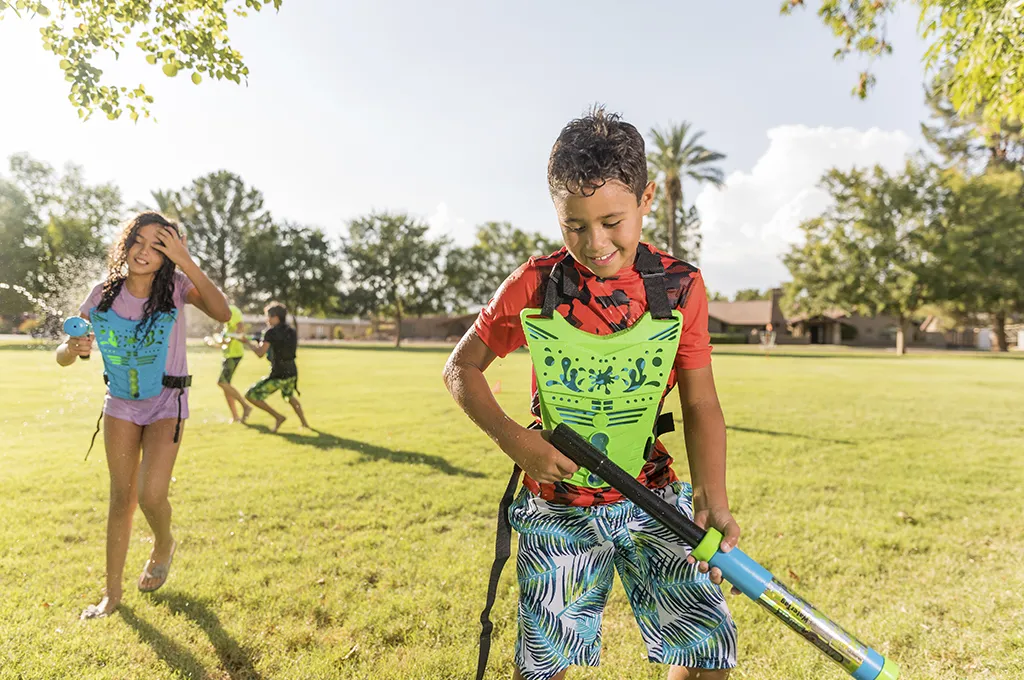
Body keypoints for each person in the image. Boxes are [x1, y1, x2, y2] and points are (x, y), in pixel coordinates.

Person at [443, 108, 739, 680]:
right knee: (545, 669)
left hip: (651, 497)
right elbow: (461, 370)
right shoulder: (536, 283)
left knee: (706, 652)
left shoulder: (680, 287)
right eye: (574, 226)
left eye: (612, 221)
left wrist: (713, 498)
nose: (595, 242)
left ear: (646, 199)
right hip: (558, 509)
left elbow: (700, 402)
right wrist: (515, 442)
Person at [57, 211, 231, 620]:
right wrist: (74, 348)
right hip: (119, 404)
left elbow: (222, 313)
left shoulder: (176, 287)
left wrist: (186, 260)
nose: (145, 250)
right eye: (139, 239)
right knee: (122, 497)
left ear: (170, 253)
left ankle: (163, 543)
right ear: (126, 242)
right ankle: (111, 595)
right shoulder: (102, 293)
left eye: (159, 244)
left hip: (167, 403)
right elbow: (65, 354)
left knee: (152, 494)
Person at [243, 302, 311, 432]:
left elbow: (260, 353)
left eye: (268, 316)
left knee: (251, 395)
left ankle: (278, 417)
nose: (266, 319)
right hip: (292, 372)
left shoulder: (270, 332)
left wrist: (247, 342)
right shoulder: (291, 331)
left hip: (278, 374)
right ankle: (305, 423)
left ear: (275, 317)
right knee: (290, 396)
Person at [206, 304, 252, 423]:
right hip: (228, 355)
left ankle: (246, 406)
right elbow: (225, 342)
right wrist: (213, 343)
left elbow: (240, 330)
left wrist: (228, 338)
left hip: (234, 355)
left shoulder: (232, 311)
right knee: (226, 386)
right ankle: (235, 416)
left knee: (222, 382)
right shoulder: (225, 322)